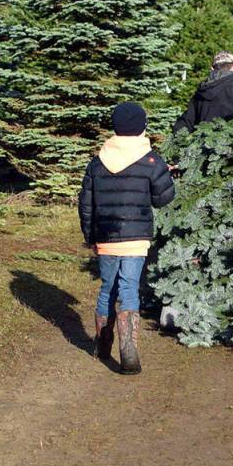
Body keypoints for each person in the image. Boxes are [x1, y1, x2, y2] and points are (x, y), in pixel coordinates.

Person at [79, 102, 176, 375]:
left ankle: (102, 345)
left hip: (106, 237)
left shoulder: (97, 162)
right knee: (129, 287)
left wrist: (90, 236)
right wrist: (167, 176)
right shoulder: (151, 160)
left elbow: (86, 204)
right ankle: (129, 352)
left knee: (107, 288)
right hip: (136, 238)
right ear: (142, 127)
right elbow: (163, 199)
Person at [172, 51, 233, 134]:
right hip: (232, 142)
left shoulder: (203, 89)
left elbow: (186, 122)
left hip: (202, 142)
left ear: (212, 68)